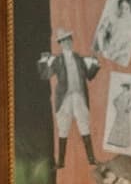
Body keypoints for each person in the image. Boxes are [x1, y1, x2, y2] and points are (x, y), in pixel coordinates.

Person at [37, 30, 98, 167]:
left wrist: (94, 63)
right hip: (64, 98)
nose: (67, 43)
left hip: (79, 96)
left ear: (72, 41)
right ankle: (61, 162)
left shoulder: (79, 58)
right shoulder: (57, 60)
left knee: (84, 126)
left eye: (69, 40)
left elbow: (89, 76)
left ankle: (91, 159)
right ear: (60, 44)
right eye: (64, 41)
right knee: (63, 129)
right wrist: (43, 60)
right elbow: (45, 75)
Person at [94, 0, 131, 65]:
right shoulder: (111, 19)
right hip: (105, 52)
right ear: (119, 7)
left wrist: (116, 55)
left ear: (130, 9)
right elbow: (100, 33)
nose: (123, 11)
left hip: (119, 57)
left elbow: (128, 48)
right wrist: (102, 50)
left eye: (126, 8)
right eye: (121, 7)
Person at [107, 81, 131, 150]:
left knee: (124, 126)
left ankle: (123, 143)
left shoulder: (129, 95)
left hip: (125, 113)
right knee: (117, 125)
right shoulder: (120, 94)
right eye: (123, 87)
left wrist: (128, 109)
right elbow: (114, 101)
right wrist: (117, 107)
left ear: (127, 88)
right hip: (119, 112)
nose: (123, 88)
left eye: (125, 87)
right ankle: (114, 141)